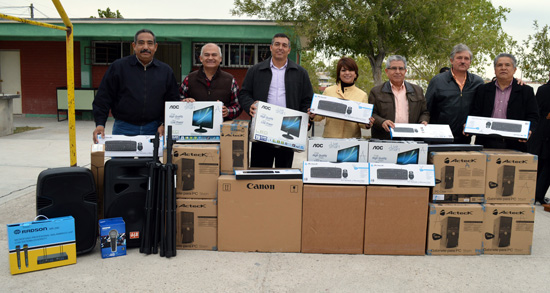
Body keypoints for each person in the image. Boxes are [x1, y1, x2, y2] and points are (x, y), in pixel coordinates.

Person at [239, 33, 314, 168]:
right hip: (262, 129)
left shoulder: (300, 73)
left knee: (283, 174)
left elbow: (307, 100)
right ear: (271, 47)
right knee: (259, 172)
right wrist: (249, 105)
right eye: (277, 44)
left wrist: (305, 120)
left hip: (288, 130)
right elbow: (244, 93)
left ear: (289, 50)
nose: (280, 48)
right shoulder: (255, 70)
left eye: (284, 45)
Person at [92, 29, 180, 143]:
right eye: (141, 43)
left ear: (155, 46)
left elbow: (172, 100)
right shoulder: (118, 67)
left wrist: (164, 123)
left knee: (150, 161)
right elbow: (103, 97)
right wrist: (100, 124)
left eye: (149, 43)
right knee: (121, 161)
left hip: (153, 128)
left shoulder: (165, 71)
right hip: (123, 127)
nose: (145, 47)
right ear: (134, 45)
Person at [470, 53, 539, 152]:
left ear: (514, 69)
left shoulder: (526, 91)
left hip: (515, 143)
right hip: (486, 142)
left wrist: (529, 130)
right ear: (494, 70)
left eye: (507, 65)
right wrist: (470, 125)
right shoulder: (483, 89)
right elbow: (475, 112)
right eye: (499, 65)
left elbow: (533, 115)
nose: (503, 68)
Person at [425, 44, 484, 144]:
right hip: (438, 137)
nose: (463, 61)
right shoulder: (437, 81)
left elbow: (480, 109)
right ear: (451, 60)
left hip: (464, 138)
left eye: (466, 58)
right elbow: (427, 107)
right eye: (459, 58)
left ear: (470, 62)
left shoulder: (478, 82)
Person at [310, 57, 373, 138]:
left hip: (352, 142)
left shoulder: (362, 95)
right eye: (343, 70)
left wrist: (367, 124)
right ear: (339, 74)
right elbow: (319, 116)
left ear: (355, 74)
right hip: (329, 139)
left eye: (350, 70)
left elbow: (362, 122)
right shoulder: (328, 91)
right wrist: (312, 115)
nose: (347, 73)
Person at [368, 55, 429, 140]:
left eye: (401, 68)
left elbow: (425, 112)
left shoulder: (417, 90)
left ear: (405, 71)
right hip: (385, 138)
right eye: (393, 68)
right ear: (387, 71)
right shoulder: (376, 91)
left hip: (411, 138)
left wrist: (423, 121)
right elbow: (371, 113)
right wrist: (382, 122)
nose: (397, 72)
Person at [179, 43, 241, 120]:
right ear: (201, 58)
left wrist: (227, 111)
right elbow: (178, 100)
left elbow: (238, 106)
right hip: (194, 128)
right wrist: (185, 102)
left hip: (221, 129)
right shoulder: (189, 79)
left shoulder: (230, 80)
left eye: (214, 55)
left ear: (220, 59)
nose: (210, 58)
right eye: (207, 55)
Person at [529, 72, 550, 205]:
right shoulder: (544, 90)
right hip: (544, 130)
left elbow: (537, 110)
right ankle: (539, 195)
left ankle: (534, 194)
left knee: (539, 163)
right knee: (546, 166)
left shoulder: (542, 89)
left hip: (539, 131)